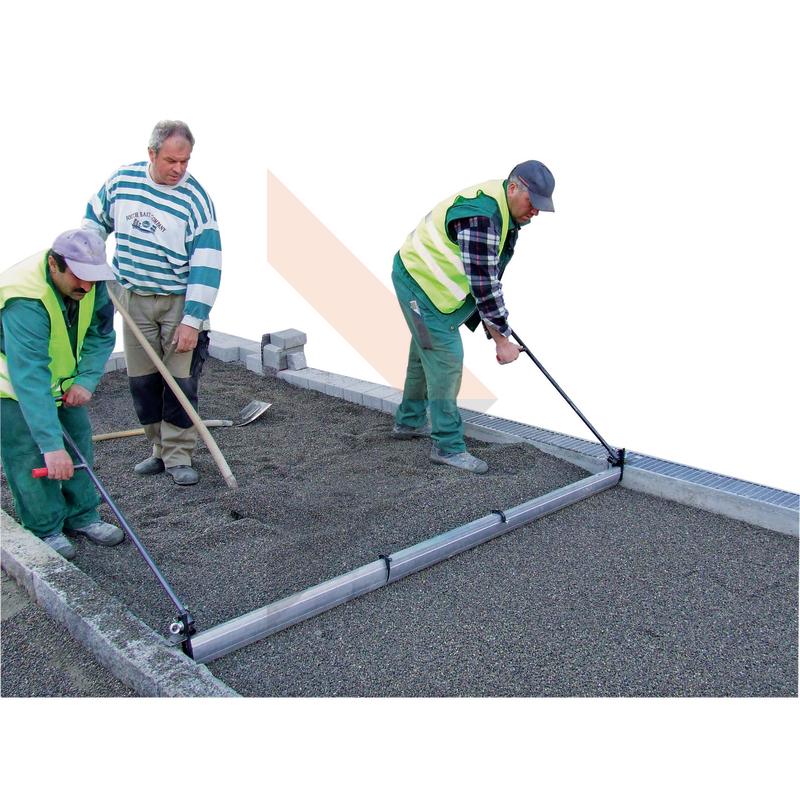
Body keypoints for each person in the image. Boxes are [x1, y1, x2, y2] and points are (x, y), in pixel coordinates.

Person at [391, 160, 555, 474]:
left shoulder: (503, 208)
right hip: (419, 284)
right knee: (445, 359)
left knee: (425, 351)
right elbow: (484, 286)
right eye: (532, 202)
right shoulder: (483, 218)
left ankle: (409, 421)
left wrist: (498, 326)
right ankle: (448, 446)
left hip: (428, 282)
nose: (536, 211)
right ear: (513, 188)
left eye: (541, 206)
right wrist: (501, 341)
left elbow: (487, 274)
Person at [82, 120, 221, 486]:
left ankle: (179, 455)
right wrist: (90, 264)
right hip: (132, 298)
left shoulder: (195, 200)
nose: (179, 169)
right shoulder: (122, 183)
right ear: (152, 153)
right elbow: (93, 222)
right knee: (143, 381)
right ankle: (158, 449)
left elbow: (207, 262)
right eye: (171, 161)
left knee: (179, 382)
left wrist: (192, 320)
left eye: (185, 161)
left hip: (177, 301)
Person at [0, 229, 124, 560]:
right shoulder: (25, 299)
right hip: (12, 384)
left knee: (78, 443)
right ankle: (45, 528)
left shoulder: (92, 283)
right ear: (54, 265)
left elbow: (101, 334)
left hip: (62, 380)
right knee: (30, 454)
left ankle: (83, 516)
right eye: (78, 276)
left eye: (92, 278)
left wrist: (85, 379)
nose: (86, 286)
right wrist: (50, 446)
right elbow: (29, 375)